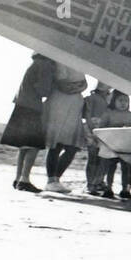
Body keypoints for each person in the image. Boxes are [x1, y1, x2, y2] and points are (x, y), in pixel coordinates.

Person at [0, 53, 54, 193]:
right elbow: (44, 91)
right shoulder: (45, 65)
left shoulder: (35, 64)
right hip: (32, 107)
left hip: (21, 104)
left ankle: (19, 178)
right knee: (33, 145)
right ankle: (25, 179)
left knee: (23, 146)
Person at [42, 62, 87, 193]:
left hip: (74, 107)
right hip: (60, 104)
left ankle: (56, 178)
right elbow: (63, 85)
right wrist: (78, 86)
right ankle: (51, 180)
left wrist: (77, 87)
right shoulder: (60, 61)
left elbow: (85, 84)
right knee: (56, 144)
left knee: (72, 147)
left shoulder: (79, 62)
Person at [97, 91, 131, 199]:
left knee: (126, 169)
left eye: (126, 101)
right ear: (113, 101)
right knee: (110, 168)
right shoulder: (108, 113)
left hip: (126, 146)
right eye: (120, 100)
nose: (123, 103)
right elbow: (100, 129)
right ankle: (108, 188)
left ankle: (125, 189)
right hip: (111, 146)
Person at [83, 82, 113, 194]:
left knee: (103, 159)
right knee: (93, 158)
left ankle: (98, 181)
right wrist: (91, 128)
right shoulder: (92, 97)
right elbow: (88, 114)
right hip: (93, 127)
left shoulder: (110, 98)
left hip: (105, 128)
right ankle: (90, 183)